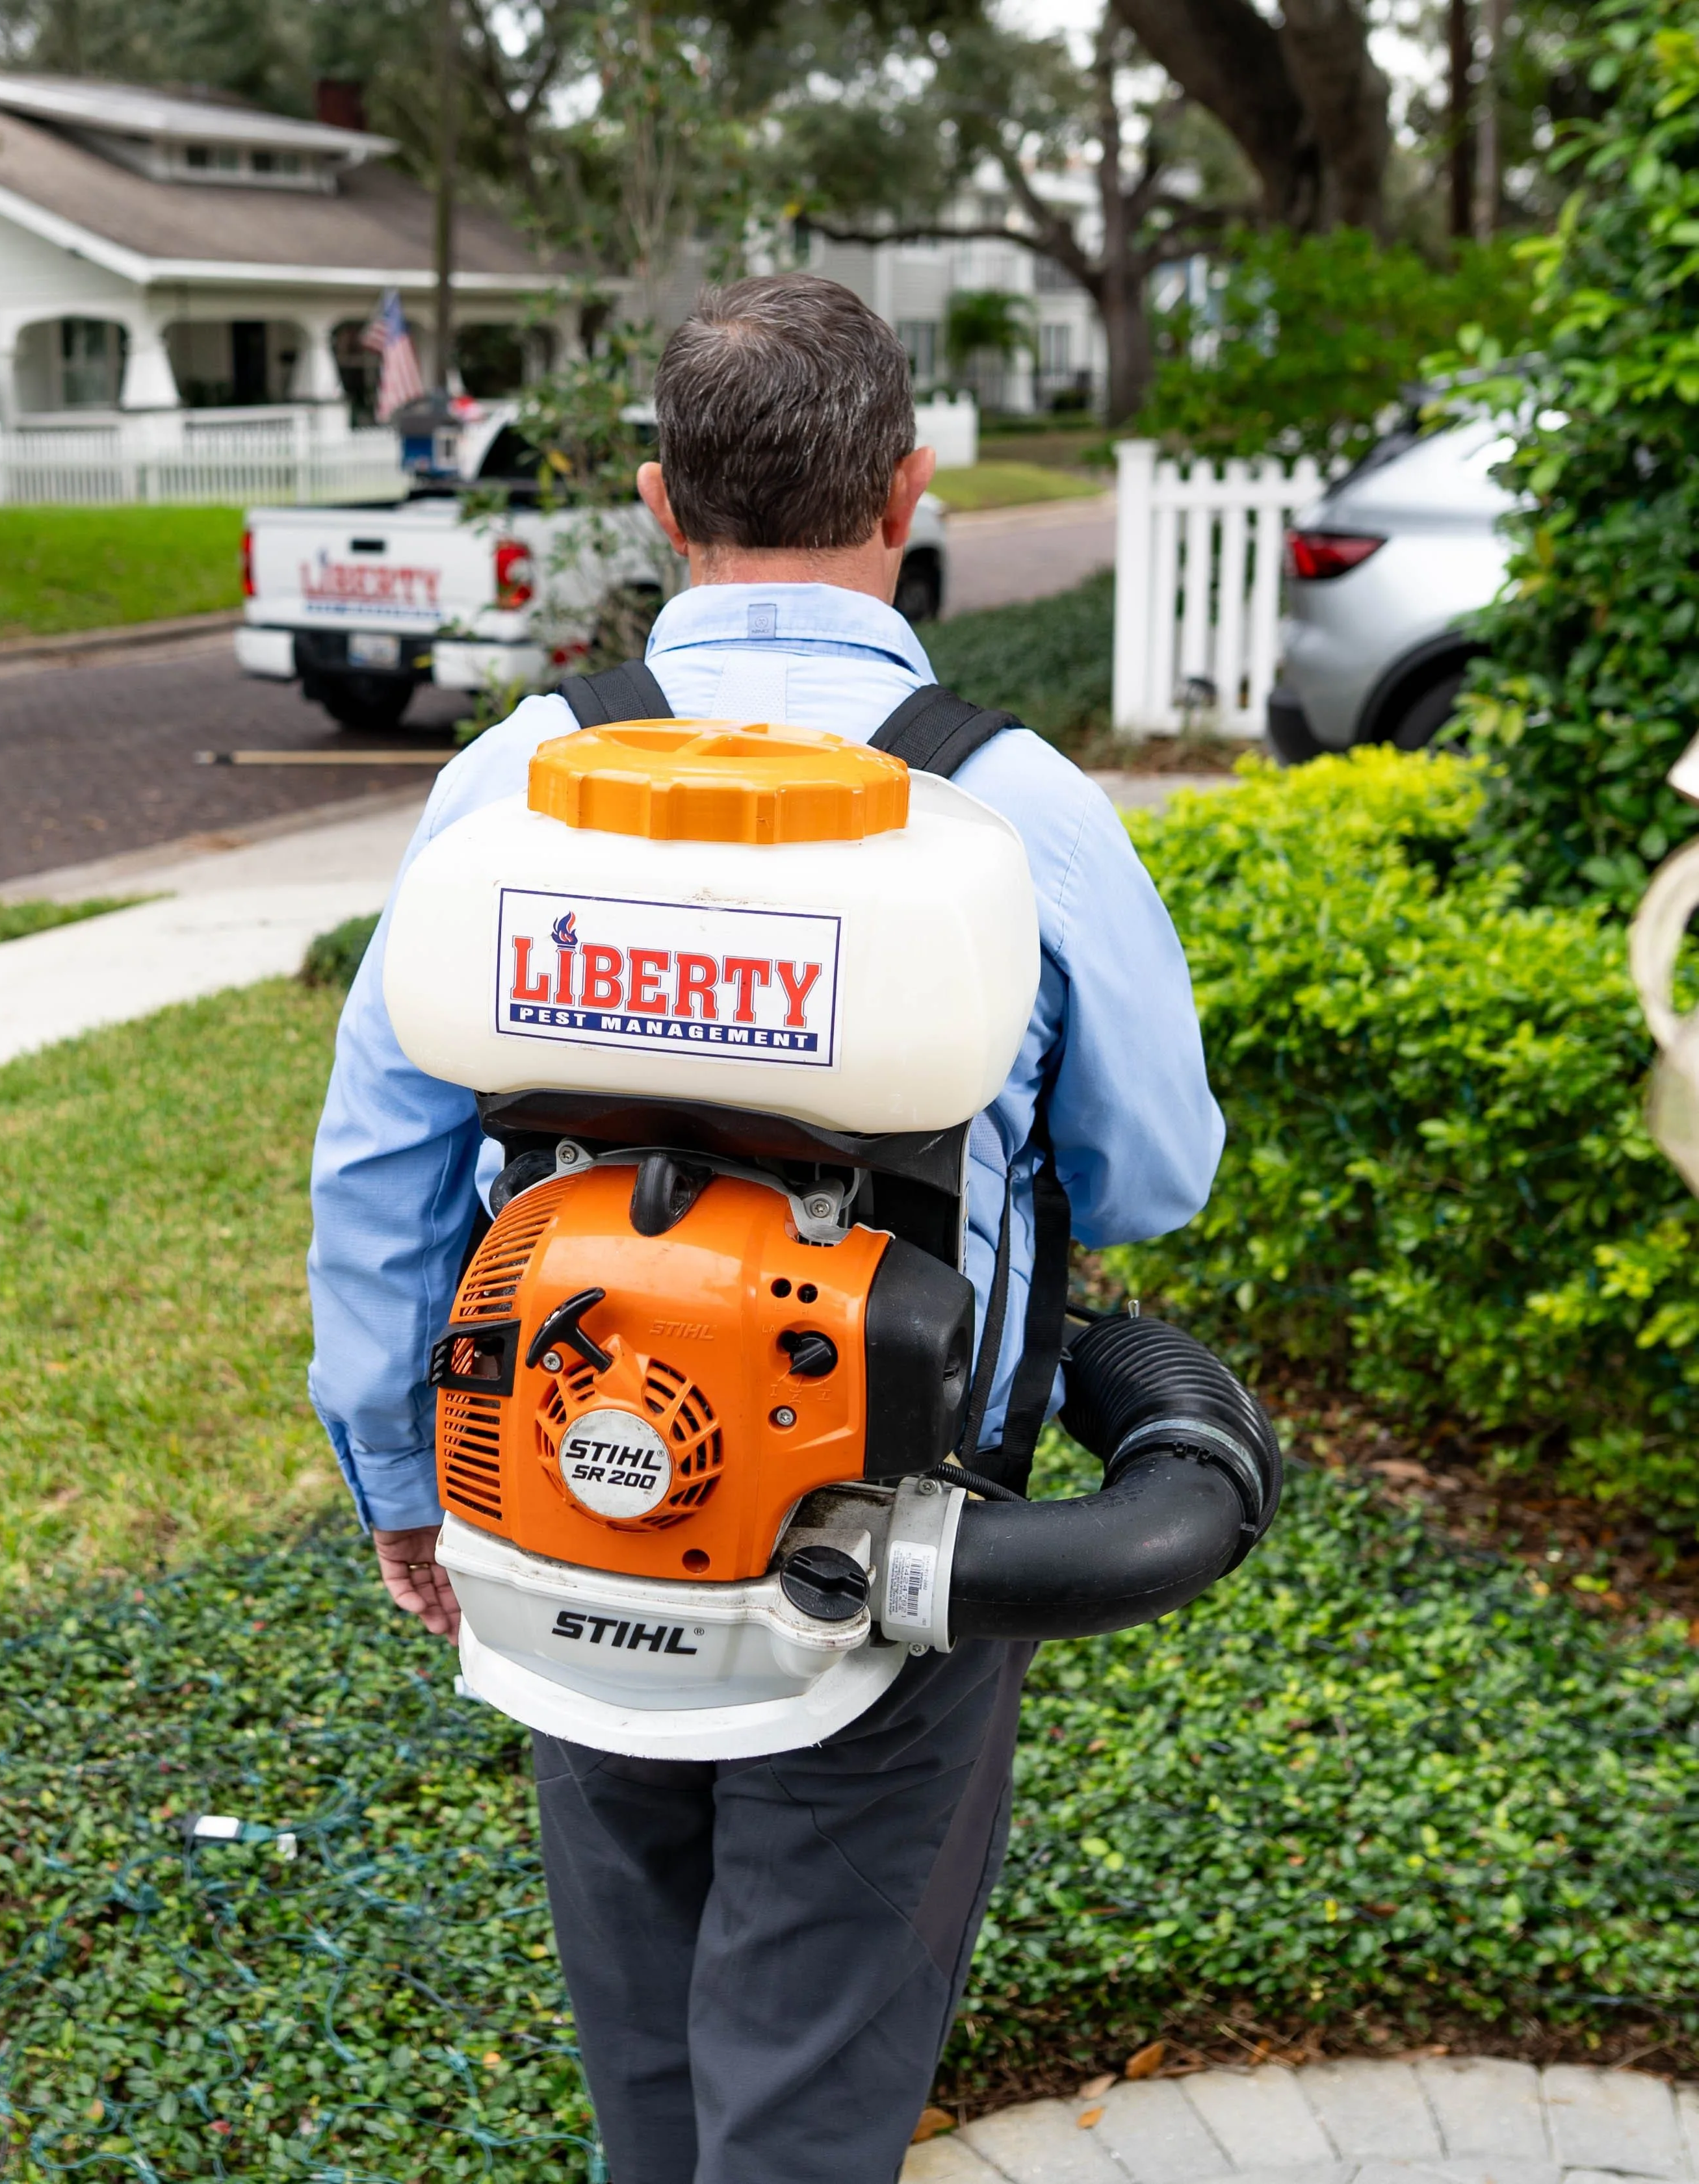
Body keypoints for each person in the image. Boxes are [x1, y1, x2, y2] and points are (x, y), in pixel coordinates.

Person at [304, 272, 1225, 2184]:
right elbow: (1148, 1181)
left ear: (660, 503)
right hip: (895, 1544)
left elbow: (381, 1155)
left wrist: (404, 1475)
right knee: (808, 2066)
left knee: (647, 2043)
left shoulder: (513, 782)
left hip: (563, 1491)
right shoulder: (1016, 809)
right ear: (908, 489)